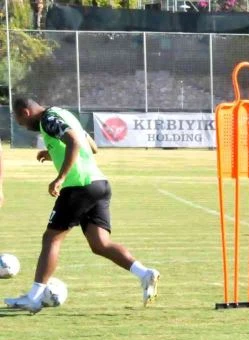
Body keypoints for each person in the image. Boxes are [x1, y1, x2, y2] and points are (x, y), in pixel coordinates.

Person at [5, 97, 160, 313]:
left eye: (19, 120)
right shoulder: (63, 113)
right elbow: (91, 146)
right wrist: (54, 153)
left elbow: (74, 142)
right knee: (100, 244)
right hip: (99, 184)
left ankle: (34, 297)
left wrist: (60, 177)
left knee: (51, 238)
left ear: (25, 112)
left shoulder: (48, 119)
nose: (21, 125)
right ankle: (144, 274)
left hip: (79, 186)